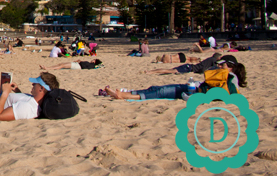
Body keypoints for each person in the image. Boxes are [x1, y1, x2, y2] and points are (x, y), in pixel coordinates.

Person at [105, 56, 246, 101]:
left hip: (193, 92)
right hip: (193, 89)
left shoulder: (231, 77)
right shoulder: (225, 75)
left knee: (160, 92)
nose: (219, 66)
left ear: (231, 66)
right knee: (156, 89)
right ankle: (127, 93)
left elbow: (231, 94)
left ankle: (122, 95)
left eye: (222, 65)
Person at [145, 52, 222, 75]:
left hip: (189, 66)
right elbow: (215, 69)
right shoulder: (213, 60)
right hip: (188, 67)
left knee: (169, 70)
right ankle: (151, 72)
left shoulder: (210, 59)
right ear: (218, 58)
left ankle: (152, 71)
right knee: (169, 70)